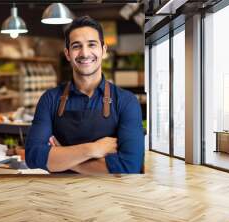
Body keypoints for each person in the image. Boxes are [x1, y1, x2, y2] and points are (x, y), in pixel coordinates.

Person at [25, 16, 144, 174]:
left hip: (109, 197)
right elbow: (33, 156)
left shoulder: (126, 101)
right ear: (67, 54)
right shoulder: (50, 99)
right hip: (59, 196)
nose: (85, 53)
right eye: (76, 46)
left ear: (103, 50)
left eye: (92, 44)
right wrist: (92, 149)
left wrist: (62, 157)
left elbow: (129, 168)